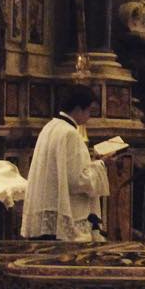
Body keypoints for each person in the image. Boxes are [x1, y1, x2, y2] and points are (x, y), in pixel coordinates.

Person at [20, 85, 111, 242]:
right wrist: (101, 164)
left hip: (47, 213)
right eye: (89, 110)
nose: (89, 116)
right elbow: (77, 181)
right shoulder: (70, 134)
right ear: (78, 108)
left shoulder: (50, 127)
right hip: (63, 221)